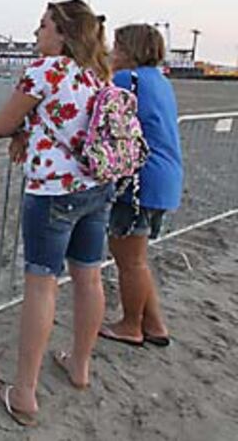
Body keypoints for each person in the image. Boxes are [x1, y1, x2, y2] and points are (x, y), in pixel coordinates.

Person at [0, 0, 114, 427]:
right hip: (96, 187)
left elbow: (1, 123)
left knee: (42, 286)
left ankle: (24, 393)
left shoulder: (46, 69)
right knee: (89, 277)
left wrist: (22, 127)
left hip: (54, 192)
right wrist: (33, 126)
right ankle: (79, 365)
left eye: (43, 25)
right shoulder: (97, 74)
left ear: (62, 33)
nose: (36, 32)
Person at [99, 24, 183, 347]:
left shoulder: (126, 80)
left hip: (138, 181)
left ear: (128, 50)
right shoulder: (160, 81)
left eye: (115, 46)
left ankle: (131, 325)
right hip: (164, 178)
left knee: (129, 260)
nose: (110, 52)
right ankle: (155, 324)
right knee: (138, 259)